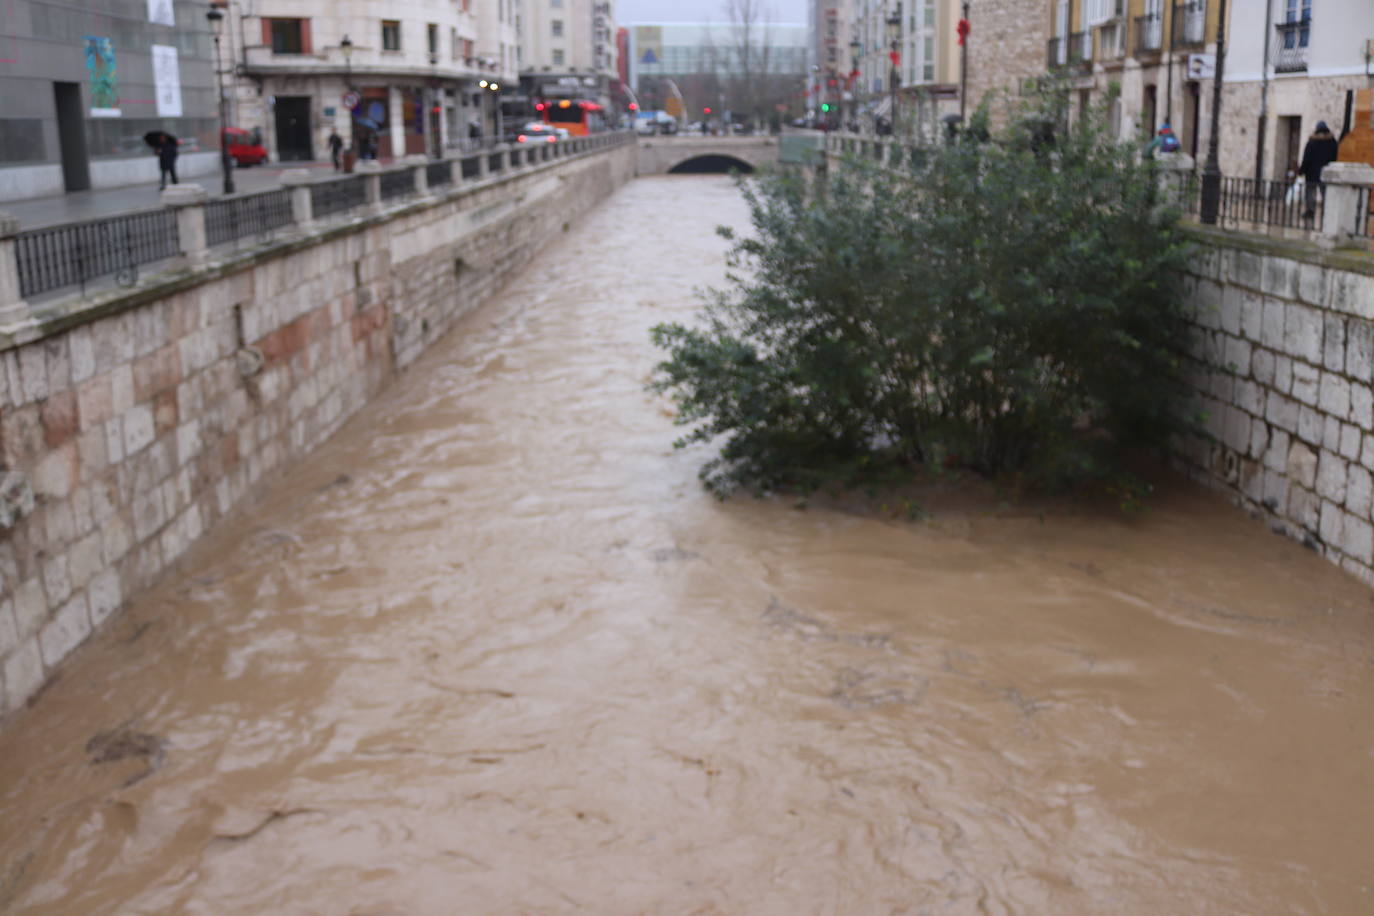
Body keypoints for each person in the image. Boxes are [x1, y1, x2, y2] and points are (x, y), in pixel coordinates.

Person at [1299, 120, 1339, 218]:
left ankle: (1310, 211)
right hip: (1326, 172)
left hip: (1311, 173)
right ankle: (1326, 211)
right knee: (1325, 193)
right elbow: (1335, 157)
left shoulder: (1312, 142)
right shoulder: (1332, 142)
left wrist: (1302, 170)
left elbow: (1306, 158)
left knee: (1310, 193)